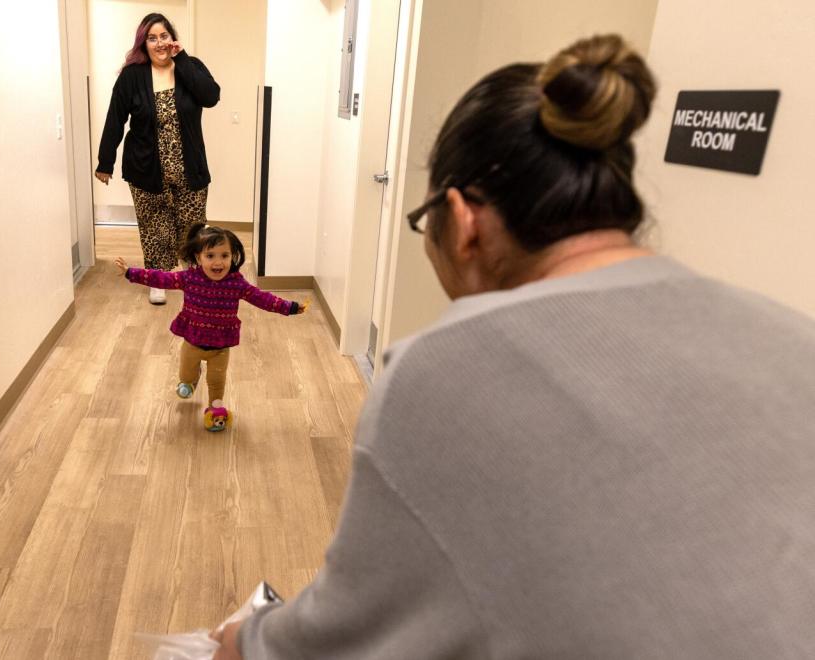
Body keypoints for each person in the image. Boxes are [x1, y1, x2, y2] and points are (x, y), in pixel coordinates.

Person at [212, 34, 815, 658]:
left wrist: (244, 640)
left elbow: (340, 632)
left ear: (463, 220)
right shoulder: (792, 333)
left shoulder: (446, 371)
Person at [115, 224, 307, 431]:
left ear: (232, 257)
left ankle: (216, 409)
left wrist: (290, 307)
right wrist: (130, 272)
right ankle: (190, 381)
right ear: (198, 258)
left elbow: (262, 298)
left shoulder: (237, 283)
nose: (218, 262)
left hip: (220, 347)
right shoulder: (188, 278)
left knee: (217, 380)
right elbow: (161, 278)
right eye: (210, 256)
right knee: (186, 377)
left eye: (224, 255)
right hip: (192, 341)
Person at [96, 12, 220, 305]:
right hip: (145, 167)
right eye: (152, 38)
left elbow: (211, 96)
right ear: (144, 43)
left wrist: (184, 58)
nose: (159, 43)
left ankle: (192, 277)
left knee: (192, 225)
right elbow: (115, 118)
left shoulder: (190, 67)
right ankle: (158, 279)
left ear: (172, 38)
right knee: (154, 225)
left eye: (164, 36)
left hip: (189, 166)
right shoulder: (132, 76)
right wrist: (105, 161)